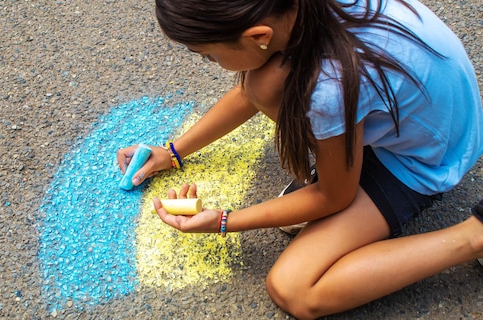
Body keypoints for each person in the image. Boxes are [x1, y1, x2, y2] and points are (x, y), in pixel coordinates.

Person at [116, 0, 483, 318]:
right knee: (264, 83)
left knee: (294, 288)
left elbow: (333, 197)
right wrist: (173, 152)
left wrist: (226, 221)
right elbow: (250, 94)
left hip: (425, 160)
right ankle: (338, 157)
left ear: (260, 36)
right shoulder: (295, 12)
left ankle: (473, 236)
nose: (211, 62)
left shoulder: (328, 86)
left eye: (210, 55)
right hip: (436, 118)